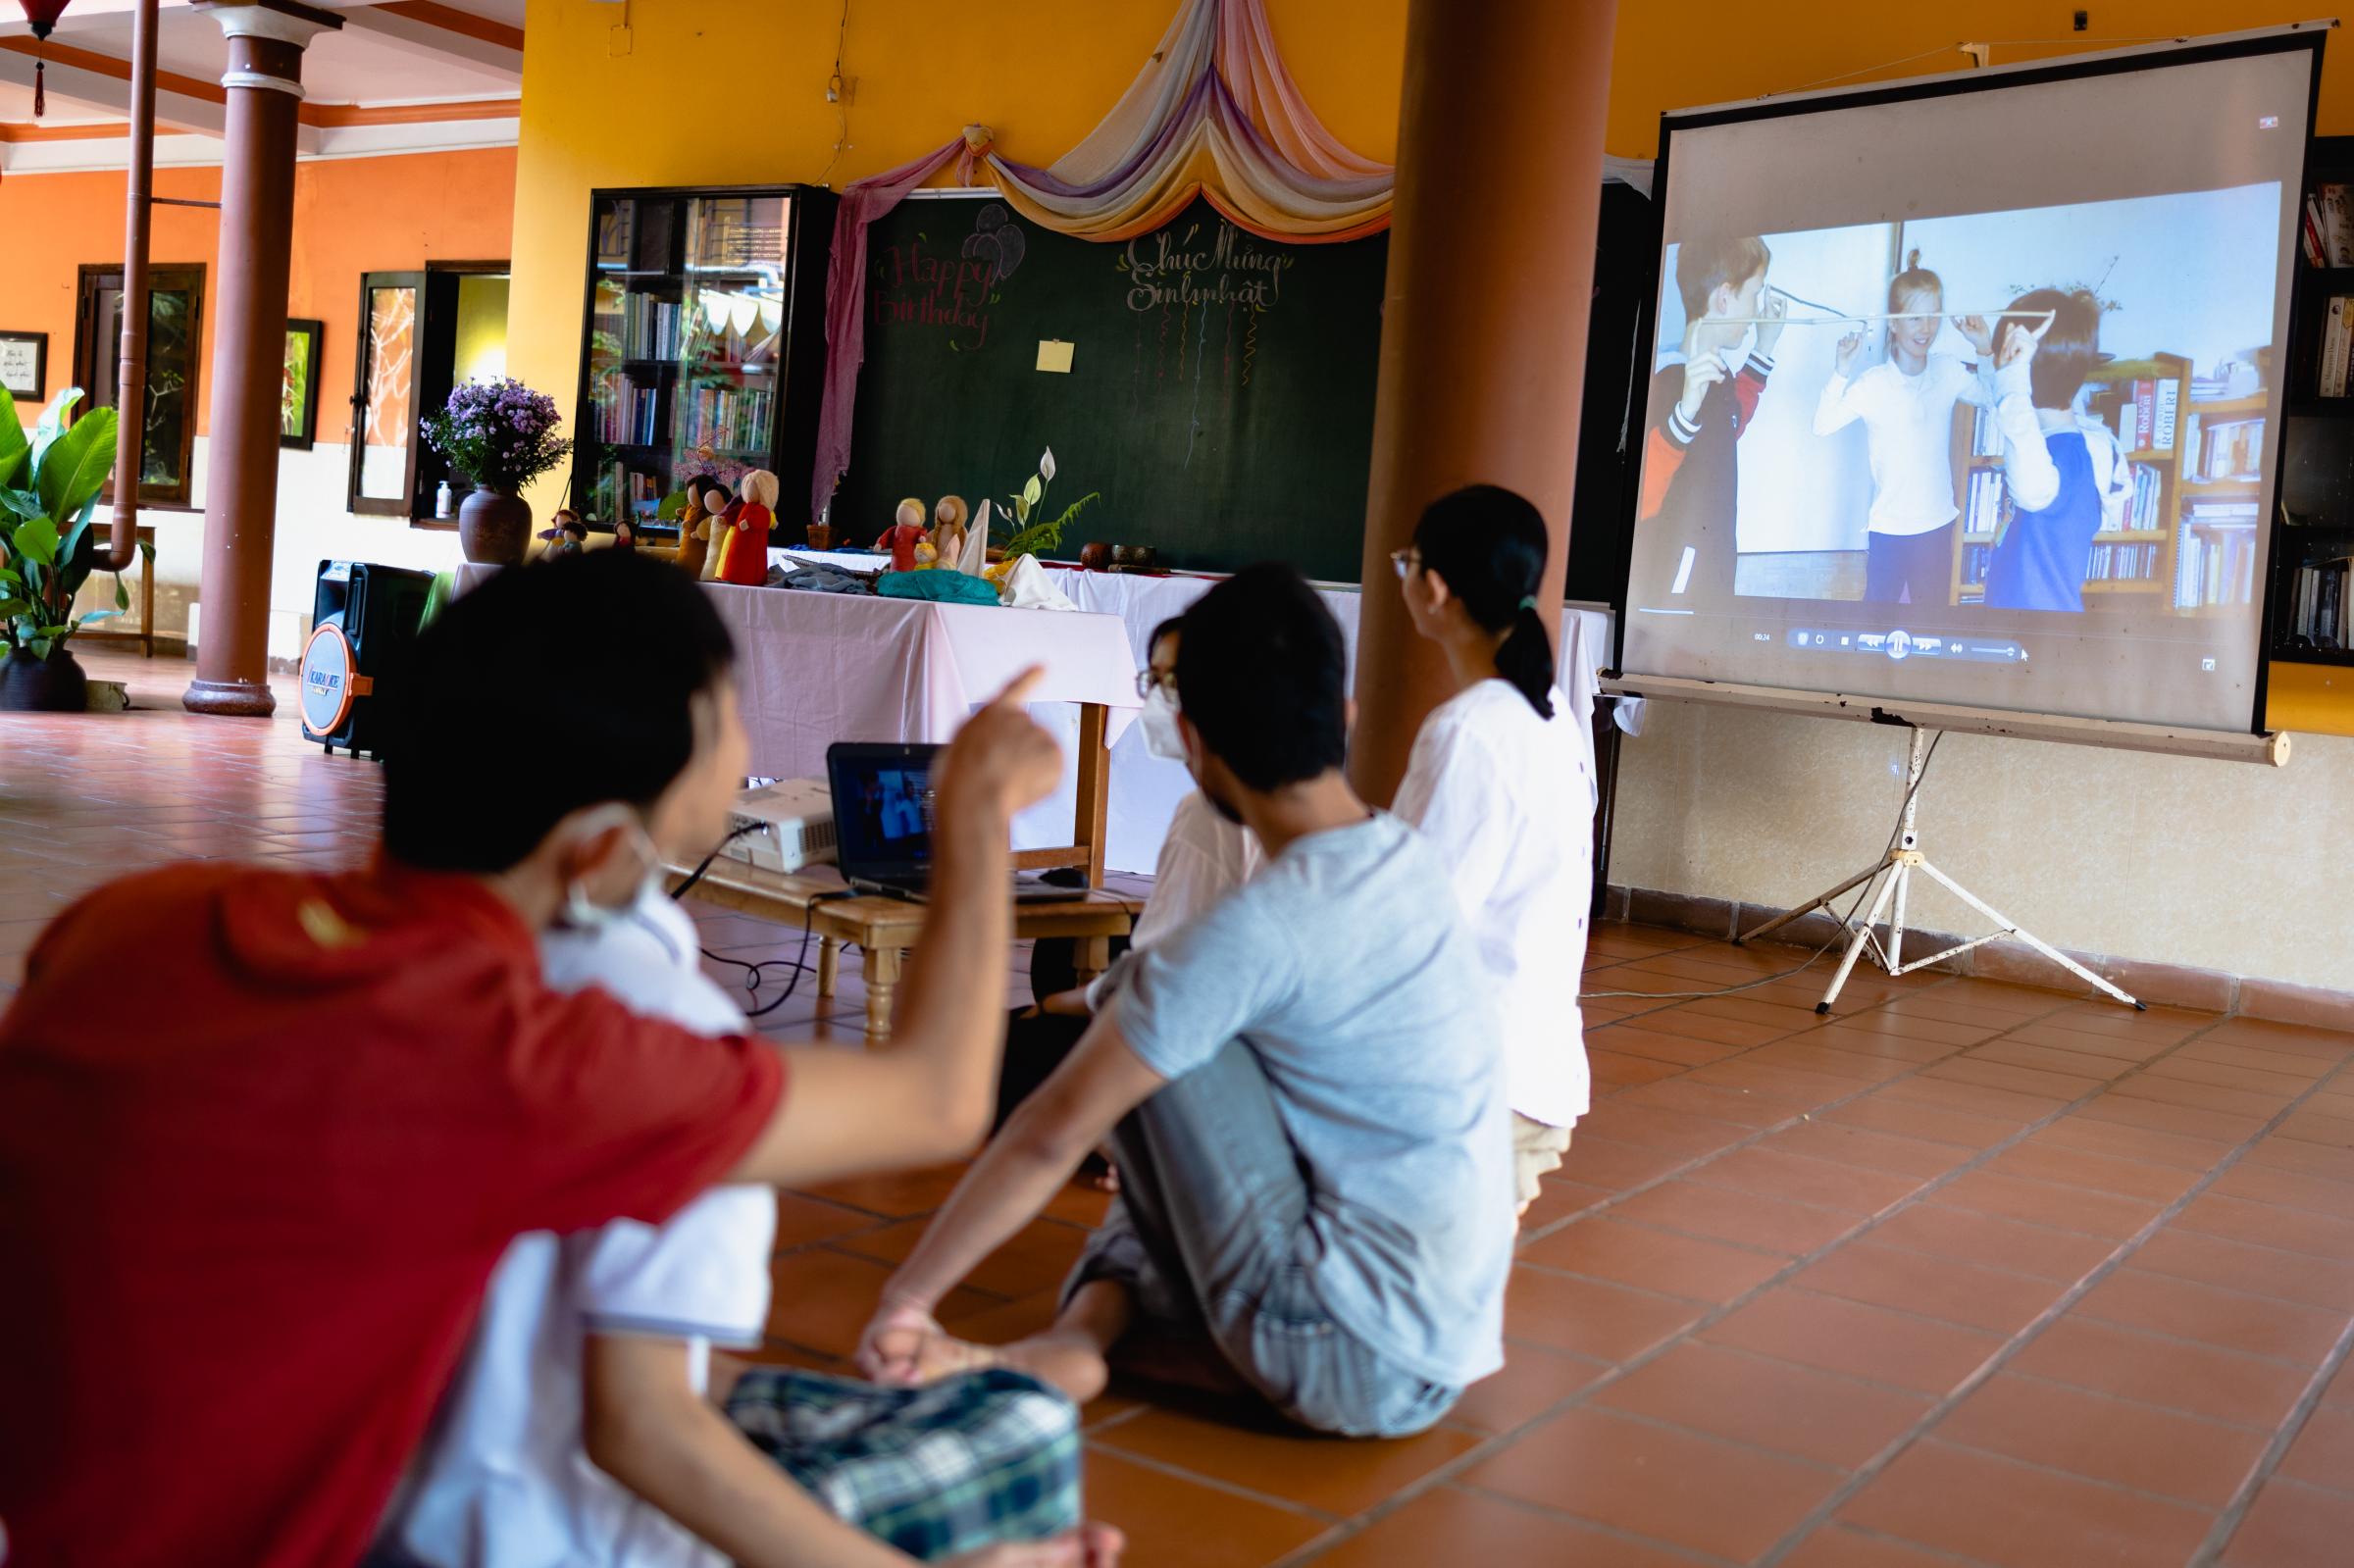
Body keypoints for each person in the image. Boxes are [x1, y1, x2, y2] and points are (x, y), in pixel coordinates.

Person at [0, 549, 1100, 1568]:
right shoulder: (509, 1057)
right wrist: (975, 819)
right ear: (604, 855)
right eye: (729, 741)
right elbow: (940, 1101)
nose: (751, 761)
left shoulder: (131, 920)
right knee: (1018, 1456)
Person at [854, 566, 1511, 1440]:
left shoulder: (1262, 930)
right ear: (1342, 716)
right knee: (1178, 1022)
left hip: (1349, 1353)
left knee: (1147, 1013)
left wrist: (906, 1301)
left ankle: (1093, 1332)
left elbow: (1053, 1131)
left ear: (1193, 741)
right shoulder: (1401, 856)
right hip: (1446, 1340)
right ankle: (1087, 1337)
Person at [373, 872, 1111, 1568]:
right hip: (543, 1533)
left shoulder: (357, 970)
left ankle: (1001, 1358)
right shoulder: (662, 1027)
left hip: (378, 1504)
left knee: (1020, 1403)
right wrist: (978, 817)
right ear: (603, 845)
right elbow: (638, 1426)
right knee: (1032, 1436)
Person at [1391, 485, 1594, 1224]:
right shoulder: (1550, 714)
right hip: (1531, 1066)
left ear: (1434, 588)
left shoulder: (1469, 730)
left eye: (1406, 564)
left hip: (1475, 1085)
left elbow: (1415, 928)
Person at [999, 617, 1262, 1137]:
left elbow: (1163, 994)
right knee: (1069, 927)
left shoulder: (1211, 812)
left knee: (993, 1048)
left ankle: (1117, 1124)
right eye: (1153, 681)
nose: (1157, 702)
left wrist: (1063, 1006)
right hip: (1214, 1028)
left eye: (1170, 684)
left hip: (1197, 1057)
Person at [1812, 252, 1998, 607]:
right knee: (1875, 620)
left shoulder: (1948, 371)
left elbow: (1993, 399)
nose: (1925, 328)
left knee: (1931, 620)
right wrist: (1840, 370)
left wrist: (1984, 348)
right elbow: (1822, 426)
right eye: (1914, 317)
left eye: (1932, 316)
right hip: (1889, 528)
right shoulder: (1873, 384)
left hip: (1937, 522)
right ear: (1894, 324)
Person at [1636, 234, 1787, 602]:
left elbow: (1729, 427)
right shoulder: (1670, 379)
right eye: (1753, 295)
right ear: (1723, 298)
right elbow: (1646, 494)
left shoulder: (1719, 376)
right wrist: (1684, 413)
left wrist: (1764, 348)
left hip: (1713, 566)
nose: (1755, 311)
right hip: (1677, 583)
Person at [1982, 288, 2131, 613]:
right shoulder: (2083, 444)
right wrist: (1995, 356)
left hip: (2032, 631)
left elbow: (2018, 423)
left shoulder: (2056, 457)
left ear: (2023, 377)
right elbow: (2021, 408)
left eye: (2005, 362)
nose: (2000, 368)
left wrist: (2012, 376)